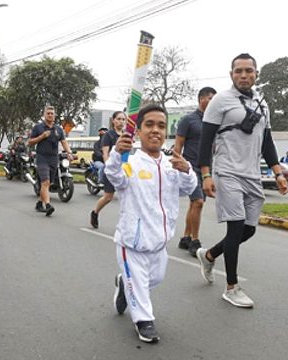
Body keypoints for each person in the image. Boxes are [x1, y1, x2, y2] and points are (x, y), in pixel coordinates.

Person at [196, 53, 288, 308]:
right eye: (239, 71)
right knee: (236, 227)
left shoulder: (262, 102)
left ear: (256, 74)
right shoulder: (220, 101)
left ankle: (210, 254)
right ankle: (232, 287)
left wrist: (278, 172)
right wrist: (206, 174)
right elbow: (206, 140)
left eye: (249, 71)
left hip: (252, 173)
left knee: (248, 229)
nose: (244, 75)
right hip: (227, 171)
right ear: (231, 74)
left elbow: (267, 140)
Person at [109, 104, 197, 343]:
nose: (155, 130)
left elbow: (190, 188)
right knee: (138, 285)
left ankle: (123, 283)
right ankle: (143, 321)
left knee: (154, 280)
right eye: (149, 125)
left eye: (161, 125)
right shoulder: (130, 161)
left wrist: (187, 170)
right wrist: (117, 154)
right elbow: (115, 177)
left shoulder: (172, 164)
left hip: (159, 241)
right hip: (132, 242)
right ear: (138, 131)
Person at [174, 86, 217, 257]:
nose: (213, 102)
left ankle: (185, 237)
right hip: (190, 168)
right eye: (210, 99)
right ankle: (195, 240)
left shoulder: (214, 122)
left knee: (195, 204)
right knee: (198, 202)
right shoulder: (188, 120)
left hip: (206, 168)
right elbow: (178, 145)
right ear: (201, 99)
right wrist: (178, 164)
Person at [28, 105, 73, 216]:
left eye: (52, 113)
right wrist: (42, 136)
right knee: (46, 182)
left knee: (48, 184)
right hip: (42, 157)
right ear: (44, 115)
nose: (50, 115)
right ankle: (48, 205)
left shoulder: (58, 129)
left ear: (55, 115)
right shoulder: (38, 127)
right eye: (48, 113)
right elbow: (30, 142)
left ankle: (39, 203)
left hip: (54, 158)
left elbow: (63, 141)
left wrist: (69, 152)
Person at [90, 111, 126, 228]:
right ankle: (95, 212)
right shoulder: (108, 136)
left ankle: (126, 224)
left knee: (128, 197)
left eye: (123, 119)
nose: (121, 121)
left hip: (125, 169)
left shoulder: (126, 135)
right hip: (112, 169)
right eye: (119, 119)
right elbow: (105, 153)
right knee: (108, 197)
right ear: (113, 121)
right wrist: (109, 167)